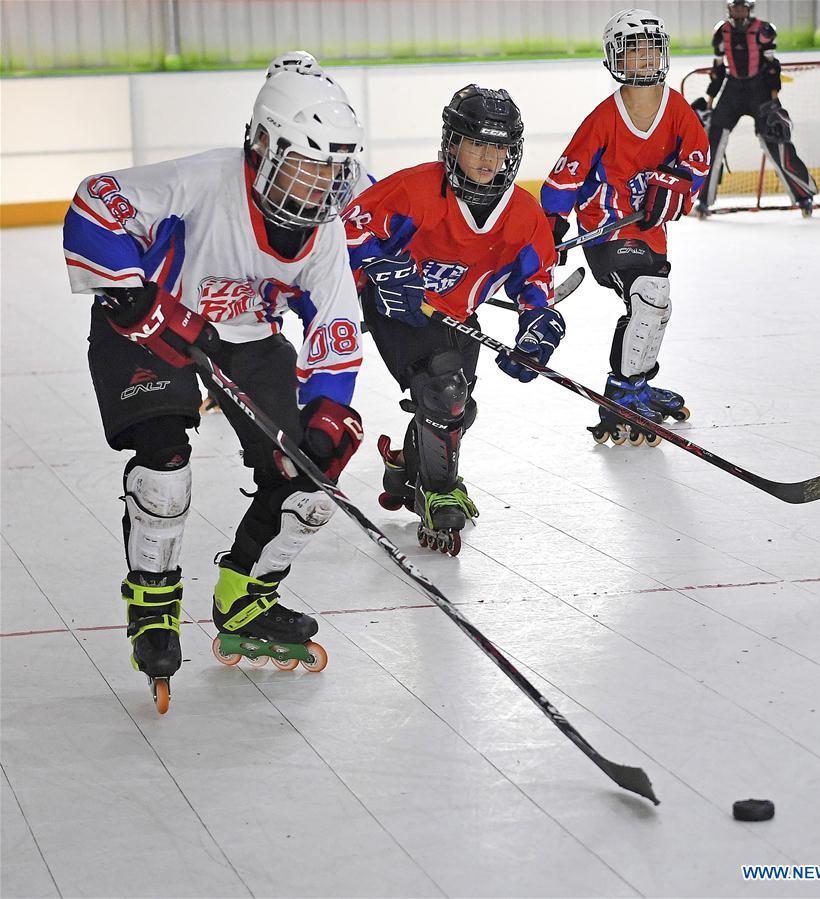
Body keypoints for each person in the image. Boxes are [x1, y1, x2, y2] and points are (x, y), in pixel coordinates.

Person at [62, 64, 366, 712]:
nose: (316, 187)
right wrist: (125, 291)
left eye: (328, 171)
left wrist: (329, 410)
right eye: (301, 165)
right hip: (153, 320)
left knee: (310, 480)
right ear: (258, 145)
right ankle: (152, 597)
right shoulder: (204, 179)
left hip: (246, 335)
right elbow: (95, 201)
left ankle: (245, 596)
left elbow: (334, 319)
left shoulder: (325, 231)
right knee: (165, 466)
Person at [342, 84, 563, 556]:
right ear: (452, 144)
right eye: (478, 143)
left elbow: (535, 278)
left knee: (456, 409)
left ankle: (406, 467)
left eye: (500, 146)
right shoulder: (415, 188)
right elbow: (348, 231)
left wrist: (539, 322)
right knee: (444, 390)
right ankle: (440, 490)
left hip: (456, 316)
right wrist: (380, 268)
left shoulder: (522, 213)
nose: (489, 157)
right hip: (398, 311)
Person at [541, 8, 709, 446]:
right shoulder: (603, 118)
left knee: (656, 304)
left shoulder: (677, 110)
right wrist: (552, 224)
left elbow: (697, 163)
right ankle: (624, 389)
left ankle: (635, 383)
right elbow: (567, 174)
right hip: (606, 228)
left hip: (649, 230)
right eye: (634, 52)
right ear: (616, 59)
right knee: (649, 296)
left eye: (652, 50)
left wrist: (679, 184)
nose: (645, 60)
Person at [200, 49, 376, 414]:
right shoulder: (275, 142)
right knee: (255, 302)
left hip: (321, 251)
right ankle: (232, 376)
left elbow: (369, 206)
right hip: (283, 250)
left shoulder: (332, 151)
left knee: (314, 308)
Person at [694, 0, 817, 217]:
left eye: (743, 7)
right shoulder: (721, 32)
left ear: (749, 9)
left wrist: (774, 100)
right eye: (735, 7)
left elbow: (772, 67)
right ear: (729, 9)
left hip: (759, 91)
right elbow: (718, 70)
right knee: (712, 140)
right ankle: (703, 200)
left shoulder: (764, 30)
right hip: (732, 89)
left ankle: (803, 196)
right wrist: (710, 102)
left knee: (776, 139)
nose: (739, 11)